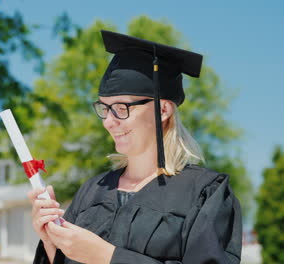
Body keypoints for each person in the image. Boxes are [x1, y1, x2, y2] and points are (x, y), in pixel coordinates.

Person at [28, 30, 242, 264]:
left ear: (163, 110)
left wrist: (107, 257)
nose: (109, 121)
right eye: (104, 108)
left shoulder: (205, 194)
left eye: (122, 108)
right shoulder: (92, 191)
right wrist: (51, 244)